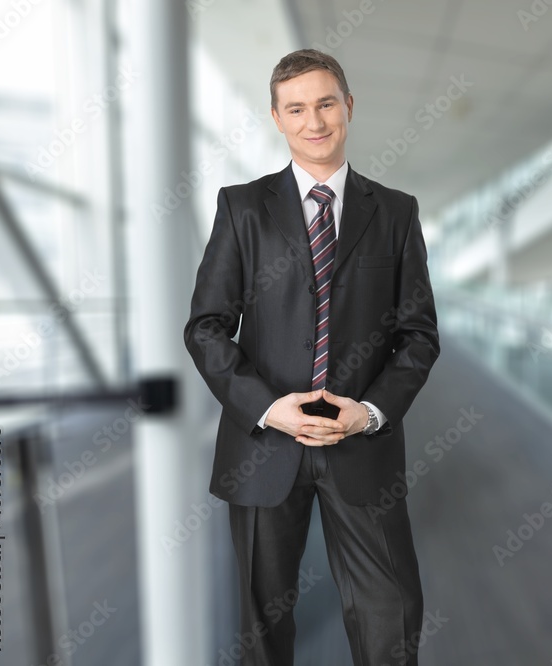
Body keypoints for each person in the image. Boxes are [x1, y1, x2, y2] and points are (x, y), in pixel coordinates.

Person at [183, 48, 440, 666]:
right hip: (264, 446)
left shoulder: (395, 212)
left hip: (362, 445)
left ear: (348, 107)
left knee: (392, 618)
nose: (314, 120)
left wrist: (370, 412)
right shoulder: (243, 207)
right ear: (276, 117)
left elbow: (419, 335)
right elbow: (207, 327)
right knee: (261, 630)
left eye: (326, 103)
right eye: (296, 108)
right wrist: (269, 408)